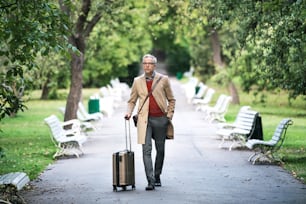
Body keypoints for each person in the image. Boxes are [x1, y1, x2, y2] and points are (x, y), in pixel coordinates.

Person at [124, 54, 176, 191]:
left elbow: (172, 99)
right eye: (145, 63)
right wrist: (129, 112)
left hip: (160, 120)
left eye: (150, 63)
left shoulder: (163, 80)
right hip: (144, 120)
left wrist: (169, 116)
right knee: (146, 150)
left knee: (160, 150)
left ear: (154, 65)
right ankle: (151, 180)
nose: (147, 65)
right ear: (143, 65)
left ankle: (157, 175)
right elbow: (132, 101)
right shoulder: (137, 81)